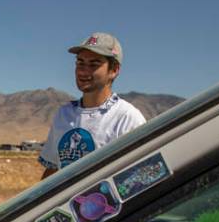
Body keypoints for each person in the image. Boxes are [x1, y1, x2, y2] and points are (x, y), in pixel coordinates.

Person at [39, 32, 146, 179]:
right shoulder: (64, 114)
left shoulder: (127, 118)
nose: (83, 71)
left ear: (114, 70)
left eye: (93, 64)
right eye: (80, 62)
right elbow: (52, 170)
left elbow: (137, 177)